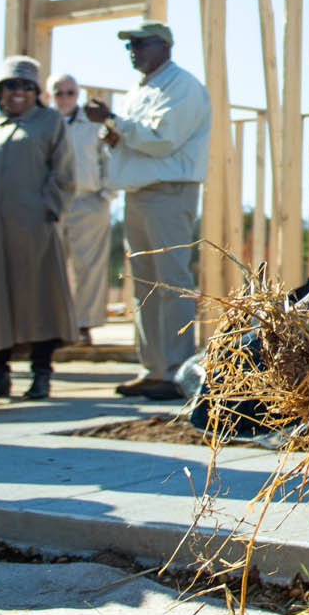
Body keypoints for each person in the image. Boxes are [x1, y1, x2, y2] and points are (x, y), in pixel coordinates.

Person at [87, 22, 209, 401]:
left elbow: (162, 140)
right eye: (130, 46)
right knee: (144, 287)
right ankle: (153, 369)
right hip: (140, 195)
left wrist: (116, 124)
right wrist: (115, 133)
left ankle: (177, 371)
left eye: (140, 44)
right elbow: (134, 138)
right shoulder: (140, 91)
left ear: (165, 46)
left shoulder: (182, 86)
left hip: (169, 194)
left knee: (171, 282)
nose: (133, 51)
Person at [0, 57, 77, 402]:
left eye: (25, 86)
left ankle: (40, 375)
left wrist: (48, 209)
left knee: (39, 300)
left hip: (33, 228)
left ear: (36, 91)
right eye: (10, 85)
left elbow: (65, 172)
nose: (18, 92)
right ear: (0, 91)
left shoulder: (50, 122)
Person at [50, 73, 111, 346]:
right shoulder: (43, 123)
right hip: (50, 203)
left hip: (87, 200)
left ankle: (84, 324)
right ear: (50, 95)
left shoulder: (92, 125)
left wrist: (105, 195)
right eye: (59, 92)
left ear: (78, 94)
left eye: (70, 92)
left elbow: (109, 158)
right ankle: (52, 326)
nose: (65, 98)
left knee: (89, 266)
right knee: (50, 266)